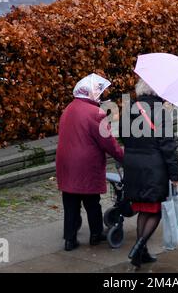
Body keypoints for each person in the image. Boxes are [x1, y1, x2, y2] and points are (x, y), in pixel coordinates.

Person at [56, 73, 124, 251]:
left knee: (70, 202)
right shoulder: (96, 113)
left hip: (66, 161)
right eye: (98, 92)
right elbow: (108, 142)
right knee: (92, 201)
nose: (100, 95)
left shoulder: (69, 108)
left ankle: (70, 239)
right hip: (86, 164)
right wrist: (123, 157)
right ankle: (96, 234)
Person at [121, 78, 178, 268]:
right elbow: (168, 147)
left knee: (143, 208)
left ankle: (142, 253)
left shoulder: (129, 109)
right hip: (153, 167)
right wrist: (175, 174)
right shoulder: (160, 112)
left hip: (133, 165)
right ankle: (138, 248)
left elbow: (123, 136)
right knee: (155, 210)